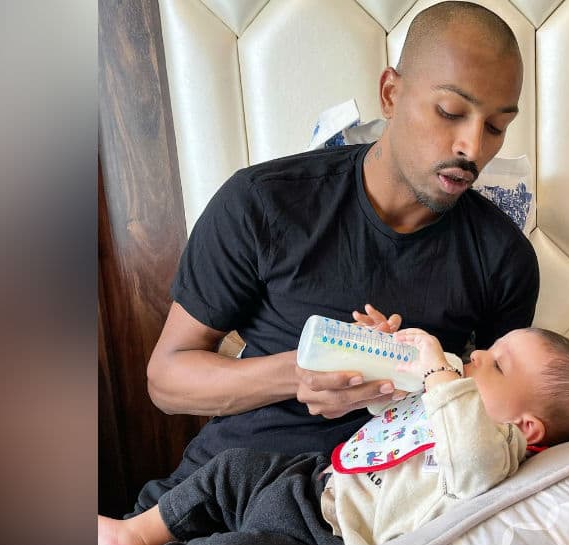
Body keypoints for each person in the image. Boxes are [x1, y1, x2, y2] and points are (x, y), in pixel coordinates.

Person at [127, 1, 540, 517]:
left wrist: (423, 376)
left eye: (497, 126)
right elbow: (167, 381)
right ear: (391, 93)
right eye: (451, 112)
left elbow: (502, 414)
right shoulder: (266, 202)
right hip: (213, 500)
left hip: (367, 515)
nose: (472, 147)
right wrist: (299, 373)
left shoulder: (504, 259)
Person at [100, 327, 569, 545]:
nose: (477, 356)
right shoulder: (451, 402)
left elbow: (469, 455)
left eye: (498, 364)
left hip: (322, 534)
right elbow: (390, 421)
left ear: (526, 427)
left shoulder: (491, 446)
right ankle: (137, 532)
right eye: (489, 347)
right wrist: (381, 362)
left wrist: (440, 374)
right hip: (307, 481)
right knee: (231, 468)